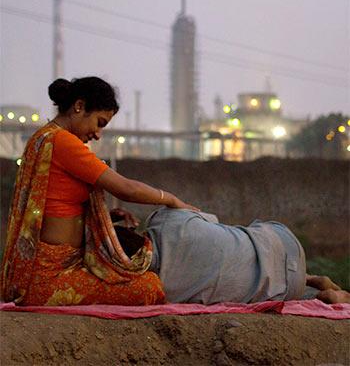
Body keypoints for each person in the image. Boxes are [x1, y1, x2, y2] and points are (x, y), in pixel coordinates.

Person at [0, 76, 198, 306]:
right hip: (50, 279)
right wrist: (171, 200)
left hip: (44, 272)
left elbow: (56, 204)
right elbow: (127, 189)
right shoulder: (63, 142)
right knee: (149, 287)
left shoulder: (42, 138)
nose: (97, 134)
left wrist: (104, 219)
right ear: (79, 106)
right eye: (99, 122)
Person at [144, 208, 350, 305]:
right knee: (238, 240)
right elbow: (213, 221)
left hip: (287, 290)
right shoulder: (166, 219)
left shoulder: (162, 293)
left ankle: (321, 296)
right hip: (284, 243)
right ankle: (311, 278)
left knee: (249, 290)